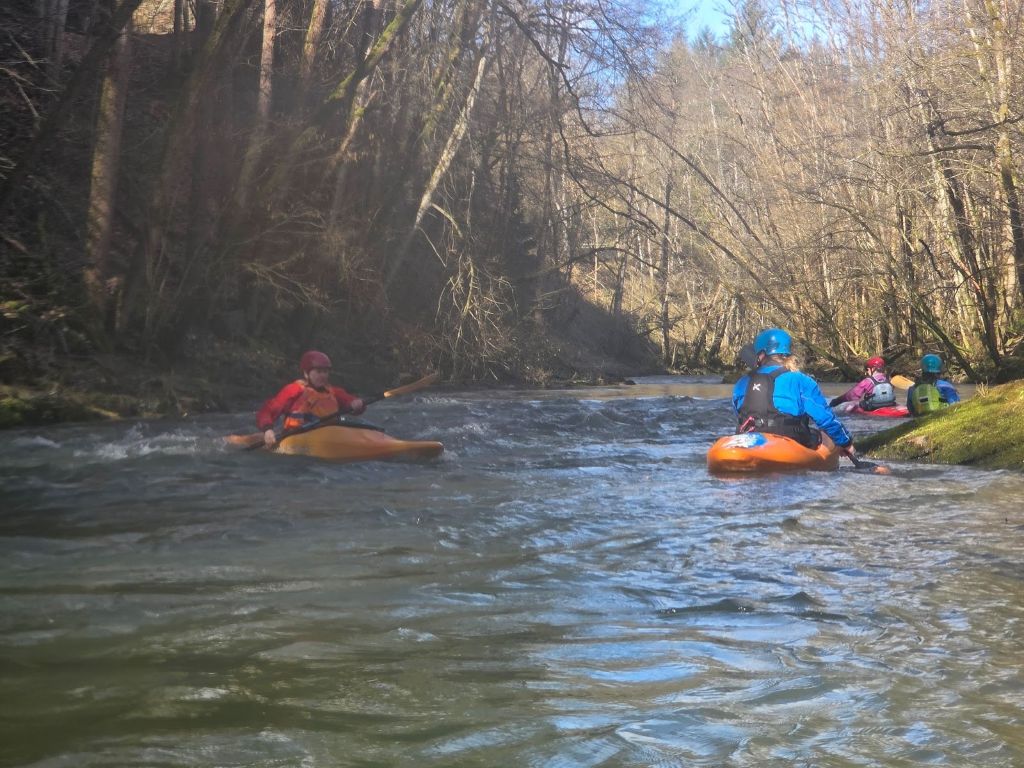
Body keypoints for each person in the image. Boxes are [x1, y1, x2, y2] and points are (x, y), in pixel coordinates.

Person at [733, 328, 856, 458]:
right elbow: (825, 419)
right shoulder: (801, 380)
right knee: (826, 434)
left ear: (761, 355)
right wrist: (846, 443)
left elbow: (739, 414)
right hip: (790, 438)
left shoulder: (742, 383)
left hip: (749, 435)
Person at [256, 350, 365, 447]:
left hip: (331, 435)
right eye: (318, 371)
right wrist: (267, 430)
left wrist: (357, 404)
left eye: (325, 372)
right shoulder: (294, 390)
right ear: (306, 374)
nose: (323, 375)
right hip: (296, 436)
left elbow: (352, 403)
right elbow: (268, 410)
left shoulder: (334, 392)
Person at [828, 356, 897, 411]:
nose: (867, 372)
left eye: (867, 369)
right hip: (890, 404)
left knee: (852, 404)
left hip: (872, 407)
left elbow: (851, 395)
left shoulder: (867, 381)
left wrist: (836, 401)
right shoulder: (889, 380)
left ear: (872, 369)